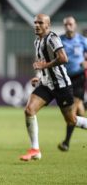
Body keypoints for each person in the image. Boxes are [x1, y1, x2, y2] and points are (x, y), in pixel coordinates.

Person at [20, 14, 87, 161]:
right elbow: (42, 62)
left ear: (47, 25)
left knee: (72, 120)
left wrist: (45, 66)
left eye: (40, 22)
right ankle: (35, 149)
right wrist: (40, 74)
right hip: (47, 84)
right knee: (29, 110)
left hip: (62, 85)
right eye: (35, 22)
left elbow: (63, 58)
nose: (37, 25)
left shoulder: (53, 38)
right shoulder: (37, 42)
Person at [58, 16, 87, 151]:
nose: (68, 26)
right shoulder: (59, 40)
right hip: (65, 79)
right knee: (80, 112)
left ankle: (66, 143)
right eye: (66, 24)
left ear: (75, 25)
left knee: (72, 112)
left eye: (70, 24)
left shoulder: (82, 40)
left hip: (79, 78)